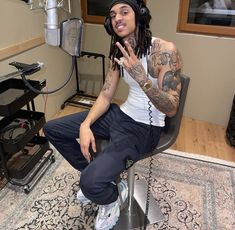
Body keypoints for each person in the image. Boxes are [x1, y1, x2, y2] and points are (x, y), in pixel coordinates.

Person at [43, 0, 182, 229]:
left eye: (124, 12)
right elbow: (106, 95)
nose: (117, 18)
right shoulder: (119, 49)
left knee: (89, 184)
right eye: (113, 15)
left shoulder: (165, 52)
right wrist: (86, 124)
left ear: (139, 15)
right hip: (121, 115)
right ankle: (98, 175)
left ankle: (111, 198)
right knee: (53, 129)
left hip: (144, 128)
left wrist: (142, 78)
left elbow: (171, 108)